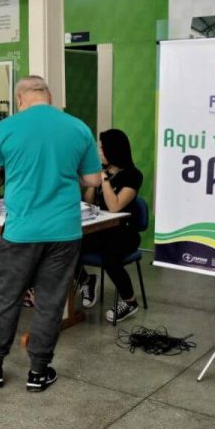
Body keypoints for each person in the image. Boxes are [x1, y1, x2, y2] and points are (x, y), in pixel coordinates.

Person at [0, 76, 101, 392]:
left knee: (7, 298)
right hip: (65, 231)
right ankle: (39, 371)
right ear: (49, 95)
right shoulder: (78, 127)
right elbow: (93, 178)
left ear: (19, 99)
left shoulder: (4, 129)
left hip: (21, 232)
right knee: (51, 301)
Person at [78, 129, 144, 324]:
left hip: (124, 232)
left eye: (101, 148)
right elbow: (89, 203)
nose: (99, 153)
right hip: (99, 229)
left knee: (110, 257)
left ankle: (130, 301)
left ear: (113, 150)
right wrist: (93, 182)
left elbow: (115, 206)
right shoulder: (101, 170)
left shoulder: (133, 175)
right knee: (65, 245)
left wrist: (104, 180)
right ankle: (86, 281)